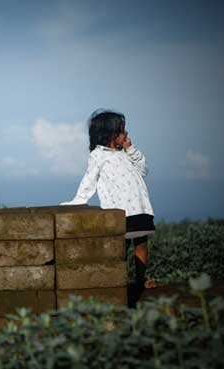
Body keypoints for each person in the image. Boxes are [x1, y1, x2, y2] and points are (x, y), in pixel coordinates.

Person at [60, 109, 156, 303]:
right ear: (110, 134)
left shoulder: (127, 153)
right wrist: (79, 198)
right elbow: (90, 178)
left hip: (140, 206)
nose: (126, 135)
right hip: (119, 209)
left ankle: (140, 280)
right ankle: (119, 283)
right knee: (120, 247)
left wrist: (131, 149)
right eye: (122, 132)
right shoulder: (98, 155)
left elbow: (144, 170)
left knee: (141, 244)